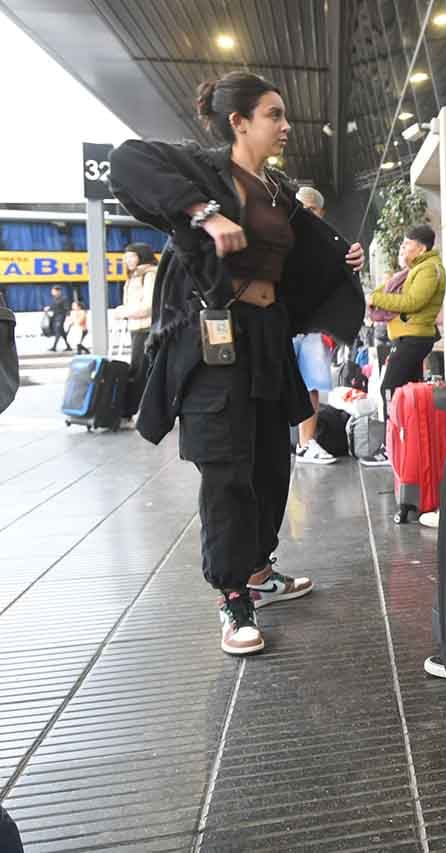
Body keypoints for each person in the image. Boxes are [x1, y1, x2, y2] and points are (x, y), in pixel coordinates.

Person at [108, 70, 366, 655]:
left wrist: (338, 255)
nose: (284, 125)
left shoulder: (277, 191)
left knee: (273, 463)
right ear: (239, 121)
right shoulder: (202, 171)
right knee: (226, 470)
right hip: (214, 340)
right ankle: (231, 598)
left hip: (268, 338)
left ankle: (256, 572)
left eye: (283, 115)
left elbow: (305, 246)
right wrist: (202, 211)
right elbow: (127, 161)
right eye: (273, 114)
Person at [359, 223, 445, 469]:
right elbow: (390, 291)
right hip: (409, 337)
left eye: (406, 244)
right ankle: (410, 445)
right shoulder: (414, 270)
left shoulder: (428, 269)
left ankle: (390, 448)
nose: (402, 248)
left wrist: (375, 299)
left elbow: (412, 301)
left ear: (420, 247)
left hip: (414, 338)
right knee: (410, 394)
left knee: (390, 388)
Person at [291, 186, 339, 465]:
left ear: (321, 212)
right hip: (282, 323)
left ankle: (306, 443)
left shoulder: (329, 244)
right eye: (300, 207)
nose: (305, 214)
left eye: (310, 209)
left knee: (311, 385)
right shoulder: (278, 236)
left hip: (313, 326)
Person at [114, 242, 158, 418]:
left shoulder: (149, 275)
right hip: (137, 328)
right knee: (145, 370)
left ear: (142, 255)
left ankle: (127, 411)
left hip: (146, 328)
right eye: (126, 257)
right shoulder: (134, 275)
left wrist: (123, 312)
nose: (128, 260)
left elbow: (149, 306)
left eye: (132, 256)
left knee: (138, 371)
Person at [46, 286, 71, 352]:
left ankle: (54, 347)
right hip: (55, 316)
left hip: (60, 317)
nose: (52, 293)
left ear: (58, 291)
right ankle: (68, 346)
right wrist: (49, 308)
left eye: (53, 291)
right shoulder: (54, 299)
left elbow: (67, 308)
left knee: (58, 331)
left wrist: (67, 316)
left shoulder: (64, 299)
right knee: (62, 332)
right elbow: (53, 306)